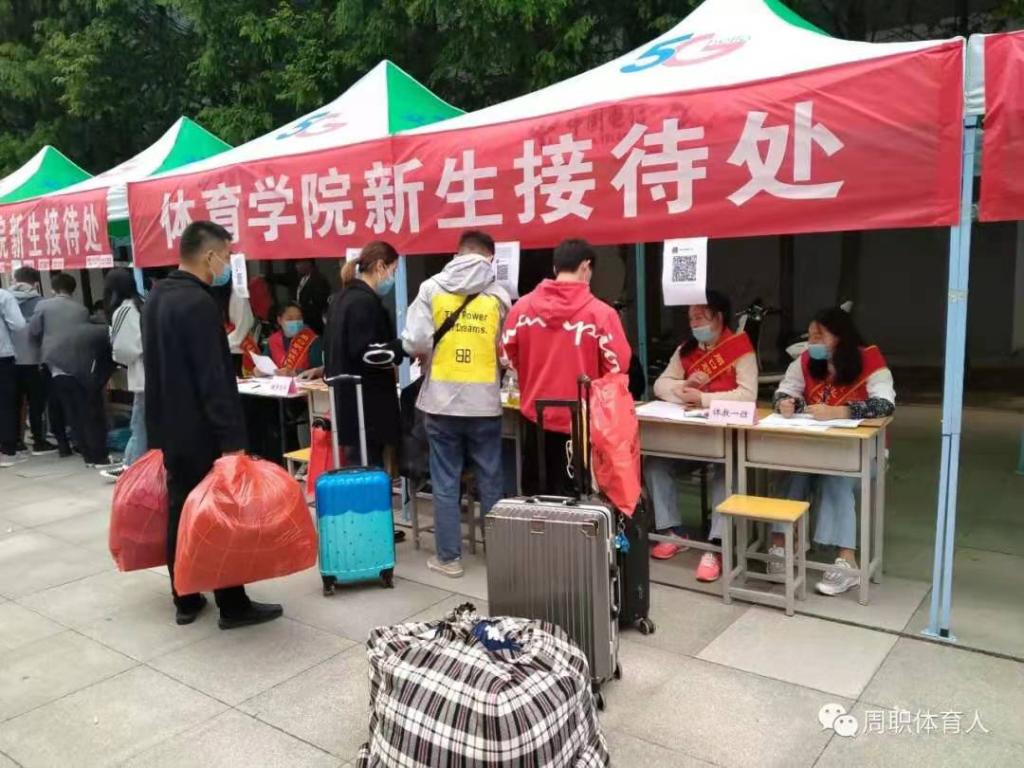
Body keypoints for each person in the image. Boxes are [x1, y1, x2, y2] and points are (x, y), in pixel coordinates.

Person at [143, 220, 282, 629]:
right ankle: (233, 604)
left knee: (181, 510)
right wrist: (232, 440)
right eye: (226, 254)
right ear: (209, 256)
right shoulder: (199, 303)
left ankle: (185, 597)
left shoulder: (156, 298)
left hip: (171, 429)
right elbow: (213, 378)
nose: (228, 263)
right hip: (202, 431)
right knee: (221, 515)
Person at [402, 230, 512, 577]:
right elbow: (505, 348)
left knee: (446, 480)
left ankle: (449, 558)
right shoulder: (499, 296)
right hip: (485, 403)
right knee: (491, 479)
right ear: (490, 258)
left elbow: (414, 341)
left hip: (441, 403)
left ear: (458, 253)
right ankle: (500, 556)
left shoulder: (431, 288)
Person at [772, 307, 895, 596]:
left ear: (839, 337)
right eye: (810, 336)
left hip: (864, 453)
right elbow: (782, 391)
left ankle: (846, 563)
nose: (812, 342)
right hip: (814, 448)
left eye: (819, 336)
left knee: (837, 477)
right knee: (791, 471)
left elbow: (885, 405)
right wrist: (785, 404)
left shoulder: (870, 359)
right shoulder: (806, 361)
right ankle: (781, 546)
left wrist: (842, 411)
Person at [501, 238, 632, 496]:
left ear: (555, 267)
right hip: (580, 422)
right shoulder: (601, 314)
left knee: (536, 497)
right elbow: (619, 364)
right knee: (575, 500)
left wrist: (532, 374)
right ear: (585, 266)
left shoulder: (522, 308)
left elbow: (506, 355)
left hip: (534, 417)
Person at [643, 292, 757, 582]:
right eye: (691, 318)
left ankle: (717, 545)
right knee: (655, 464)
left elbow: (747, 395)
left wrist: (703, 399)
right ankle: (671, 532)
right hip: (691, 439)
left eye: (700, 317)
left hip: (728, 441)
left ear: (718, 316)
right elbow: (660, 385)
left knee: (726, 472)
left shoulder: (740, 348)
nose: (694, 323)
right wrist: (683, 387)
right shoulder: (686, 349)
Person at [323, 241, 405, 466]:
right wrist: (402, 347)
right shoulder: (364, 302)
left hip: (348, 404)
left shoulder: (341, 299)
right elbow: (367, 353)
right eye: (394, 270)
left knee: (357, 468)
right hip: (367, 407)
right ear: (380, 266)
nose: (393, 277)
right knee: (369, 470)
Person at [44, 314, 119, 469]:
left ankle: (88, 457)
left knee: (75, 417)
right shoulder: (107, 331)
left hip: (57, 372)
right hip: (77, 374)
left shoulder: (77, 330)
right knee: (92, 416)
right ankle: (100, 458)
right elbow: (115, 354)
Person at [29, 272, 89, 457]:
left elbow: (34, 331)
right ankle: (80, 441)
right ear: (73, 289)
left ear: (53, 289)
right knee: (76, 404)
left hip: (51, 361)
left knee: (54, 404)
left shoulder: (43, 306)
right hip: (76, 361)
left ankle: (62, 443)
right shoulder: (81, 309)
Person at [100, 269, 147, 482]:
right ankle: (132, 464)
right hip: (158, 374)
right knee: (143, 424)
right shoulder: (143, 304)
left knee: (139, 425)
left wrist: (115, 352)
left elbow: (123, 350)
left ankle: (131, 467)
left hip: (143, 377)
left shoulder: (124, 311)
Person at [9, 266, 58, 455]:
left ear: (15, 279)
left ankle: (16, 441)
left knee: (14, 403)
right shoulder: (41, 303)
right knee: (36, 402)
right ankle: (39, 440)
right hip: (34, 359)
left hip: (9, 359)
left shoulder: (6, 299)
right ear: (36, 283)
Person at [0, 286, 28, 468]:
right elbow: (19, 325)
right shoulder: (4, 296)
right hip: (2, 355)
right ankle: (8, 450)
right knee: (6, 403)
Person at [263, 302, 323, 376]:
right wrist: (260, 370)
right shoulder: (273, 340)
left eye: (299, 318)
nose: (295, 322)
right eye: (290, 319)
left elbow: (319, 370)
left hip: (303, 381)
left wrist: (296, 372)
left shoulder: (313, 340)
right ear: (279, 320)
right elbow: (264, 363)